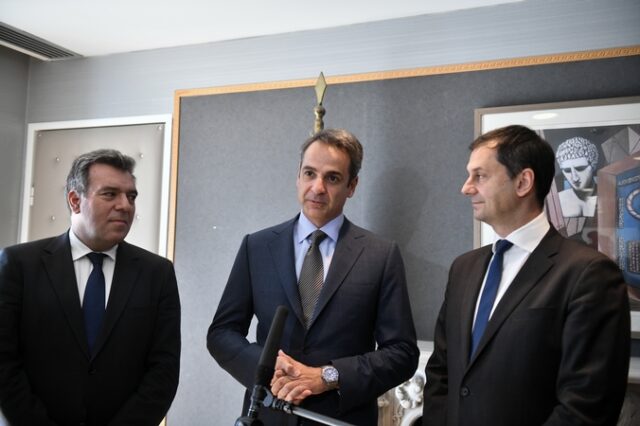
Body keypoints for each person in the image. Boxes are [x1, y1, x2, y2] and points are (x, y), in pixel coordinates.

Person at [208, 128, 419, 425]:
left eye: (332, 178)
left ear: (352, 186)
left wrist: (328, 376)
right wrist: (266, 366)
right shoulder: (256, 247)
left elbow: (402, 353)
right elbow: (221, 333)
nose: (317, 187)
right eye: (309, 174)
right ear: (298, 176)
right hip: (268, 416)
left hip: (341, 418)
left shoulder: (380, 256)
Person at [423, 125, 629, 426]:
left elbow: (587, 405)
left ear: (523, 182)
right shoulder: (463, 269)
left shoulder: (589, 274)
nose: (466, 188)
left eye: (480, 176)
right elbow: (441, 372)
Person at [0, 149, 181, 426]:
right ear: (75, 200)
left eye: (131, 196)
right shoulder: (19, 264)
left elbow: (163, 370)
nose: (125, 205)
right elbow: (4, 362)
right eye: (110, 194)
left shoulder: (157, 273)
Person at [555, 136, 599, 218]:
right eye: (567, 170)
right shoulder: (558, 202)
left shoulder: (609, 195)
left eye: (580, 168)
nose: (575, 178)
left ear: (593, 166)